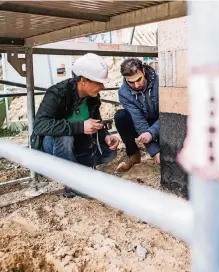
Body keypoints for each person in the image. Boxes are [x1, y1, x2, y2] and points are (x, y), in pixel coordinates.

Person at [31, 53, 120, 198]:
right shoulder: (57, 93)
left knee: (110, 153)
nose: (102, 86)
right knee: (65, 137)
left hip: (78, 142)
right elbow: (39, 125)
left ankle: (81, 171)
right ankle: (72, 183)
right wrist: (80, 126)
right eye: (98, 82)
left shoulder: (92, 97)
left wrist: (105, 137)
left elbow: (95, 120)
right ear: (83, 80)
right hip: (53, 146)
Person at [114, 58, 160, 172]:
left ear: (143, 71)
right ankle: (133, 155)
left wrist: (152, 132)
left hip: (162, 121)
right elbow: (139, 122)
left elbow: (168, 115)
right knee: (120, 116)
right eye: (131, 82)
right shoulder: (123, 93)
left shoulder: (160, 83)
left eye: (138, 79)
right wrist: (155, 152)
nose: (136, 85)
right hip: (143, 123)